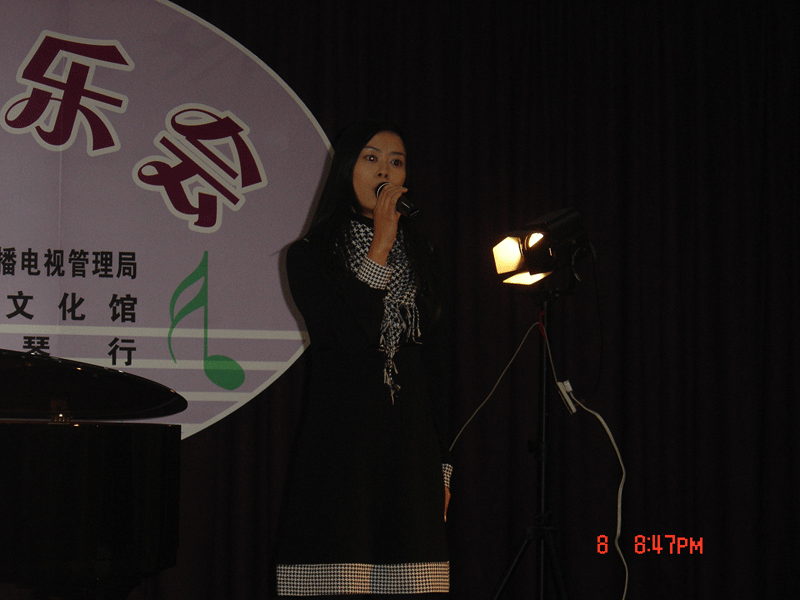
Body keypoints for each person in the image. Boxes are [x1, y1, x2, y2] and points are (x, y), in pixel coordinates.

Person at [275, 121, 452, 598]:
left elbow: (439, 366)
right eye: (371, 158)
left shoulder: (426, 256)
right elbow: (345, 337)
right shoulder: (309, 256)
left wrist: (444, 466)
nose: (385, 171)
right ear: (346, 169)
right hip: (342, 450)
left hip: (410, 451)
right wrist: (380, 248)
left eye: (397, 162)